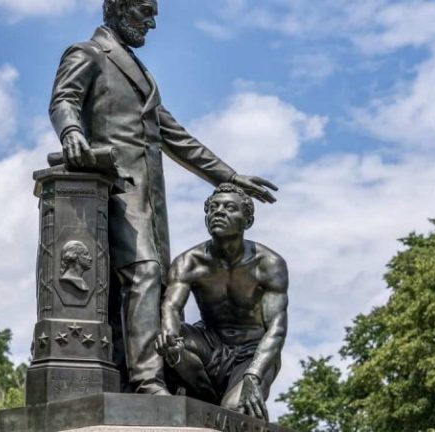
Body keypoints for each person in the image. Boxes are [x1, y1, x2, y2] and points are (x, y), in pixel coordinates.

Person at [49, 0, 279, 395]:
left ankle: (125, 376)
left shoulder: (140, 72)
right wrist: (72, 132)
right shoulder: (87, 53)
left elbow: (179, 138)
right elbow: (64, 99)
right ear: (118, 8)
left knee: (143, 285)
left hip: (149, 202)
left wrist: (230, 176)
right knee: (145, 272)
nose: (152, 22)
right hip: (113, 191)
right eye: (145, 11)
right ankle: (146, 381)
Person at [155, 184, 288, 421]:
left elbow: (276, 329)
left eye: (230, 208)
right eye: (213, 207)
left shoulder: (269, 264)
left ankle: (230, 395)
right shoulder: (189, 262)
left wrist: (254, 375)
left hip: (252, 352)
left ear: (248, 221)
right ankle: (199, 396)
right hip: (210, 346)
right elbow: (171, 307)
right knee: (170, 340)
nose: (219, 212)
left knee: (234, 413)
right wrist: (168, 334)